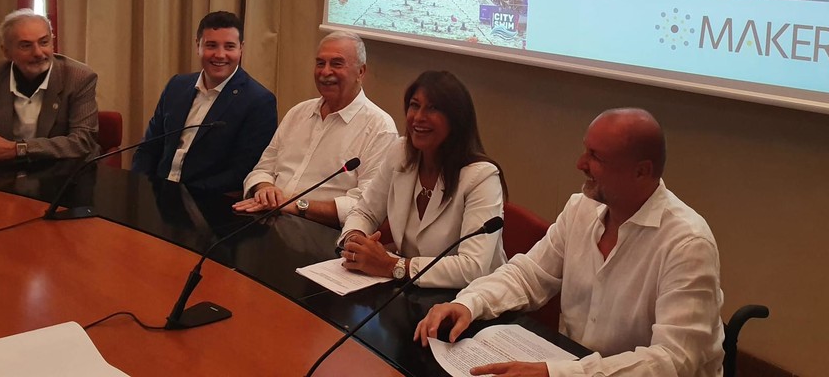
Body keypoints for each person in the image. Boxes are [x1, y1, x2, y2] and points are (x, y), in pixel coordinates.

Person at [414, 108, 724, 377]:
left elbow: (674, 360)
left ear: (641, 171)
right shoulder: (581, 209)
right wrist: (468, 303)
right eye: (585, 150)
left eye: (595, 157)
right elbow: (527, 275)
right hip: (573, 363)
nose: (580, 163)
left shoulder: (687, 243)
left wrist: (556, 373)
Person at [338, 70, 506, 288]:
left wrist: (392, 265)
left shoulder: (482, 177)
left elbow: (472, 267)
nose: (418, 117)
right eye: (414, 105)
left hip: (470, 298)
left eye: (432, 108)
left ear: (456, 119)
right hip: (411, 290)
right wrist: (355, 241)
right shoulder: (400, 152)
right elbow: (365, 211)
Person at [233, 31, 397, 227]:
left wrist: (298, 205)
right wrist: (265, 188)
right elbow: (262, 169)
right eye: (320, 63)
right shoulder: (298, 113)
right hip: (267, 220)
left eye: (336, 64)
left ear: (361, 72)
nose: (325, 72)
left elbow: (366, 207)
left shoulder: (380, 128)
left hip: (322, 232)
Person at [131, 11, 277, 193]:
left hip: (205, 201)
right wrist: (141, 188)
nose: (220, 55)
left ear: (241, 49)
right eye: (211, 45)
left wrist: (181, 195)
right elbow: (148, 149)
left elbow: (242, 172)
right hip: (156, 194)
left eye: (229, 46)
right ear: (198, 46)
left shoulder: (259, 101)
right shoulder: (176, 85)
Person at [0, 9, 98, 164]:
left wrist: (16, 149)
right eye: (26, 45)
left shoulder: (78, 77)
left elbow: (82, 141)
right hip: (5, 171)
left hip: (65, 171)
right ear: (6, 52)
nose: (38, 53)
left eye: (44, 42)